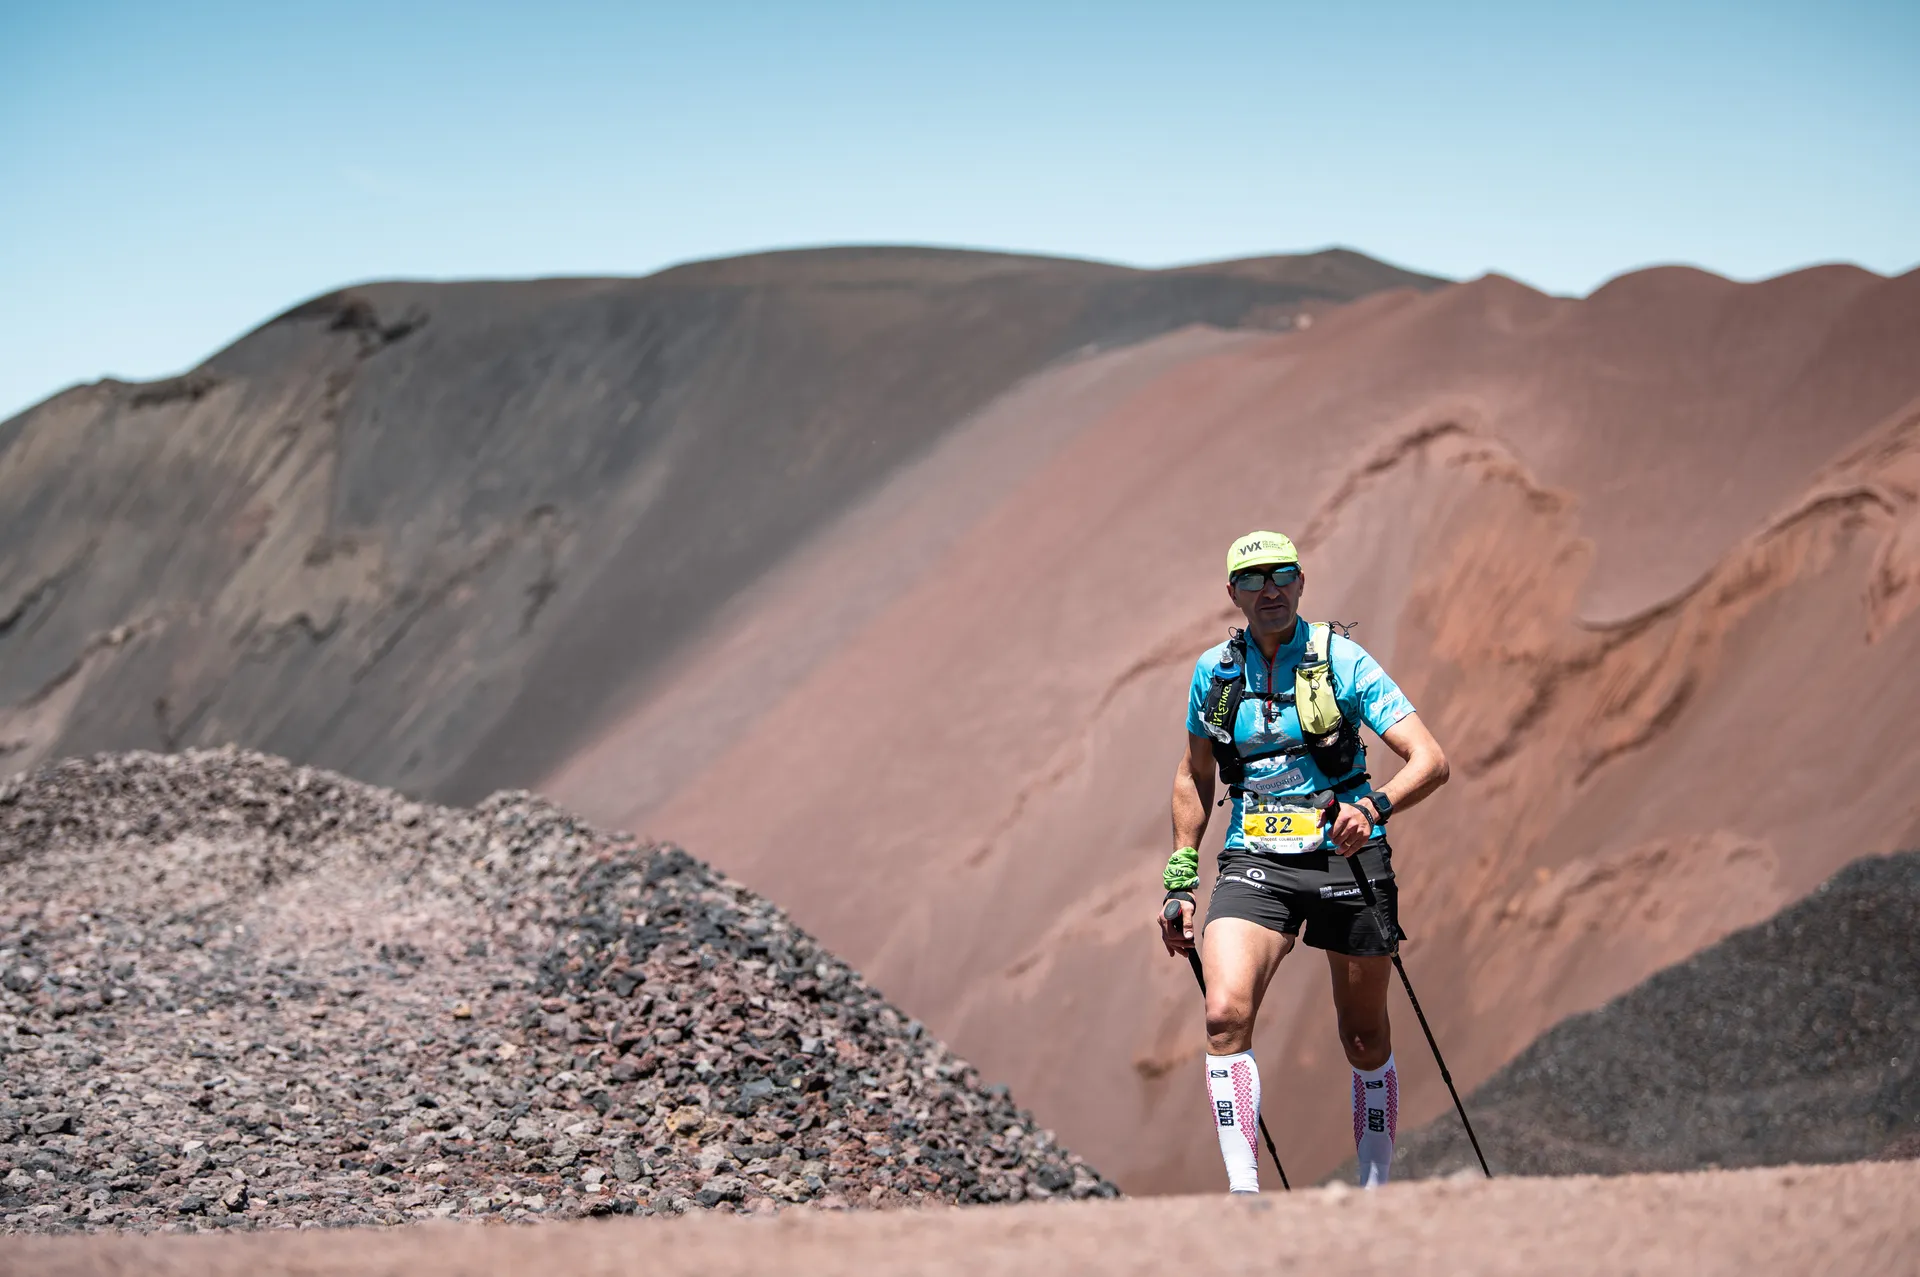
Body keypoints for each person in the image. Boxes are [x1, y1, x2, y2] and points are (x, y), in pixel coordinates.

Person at [1157, 530, 1449, 1191]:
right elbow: (1194, 773)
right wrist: (1181, 873)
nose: (1269, 589)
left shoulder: (1342, 659)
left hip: (1347, 855)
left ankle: (1373, 1194)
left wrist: (1373, 808)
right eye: (1253, 578)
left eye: (1281, 573)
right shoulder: (1215, 672)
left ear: (1301, 582)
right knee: (1224, 1013)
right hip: (1254, 857)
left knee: (1363, 1036)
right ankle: (1244, 1196)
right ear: (1232, 593)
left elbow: (1430, 759)